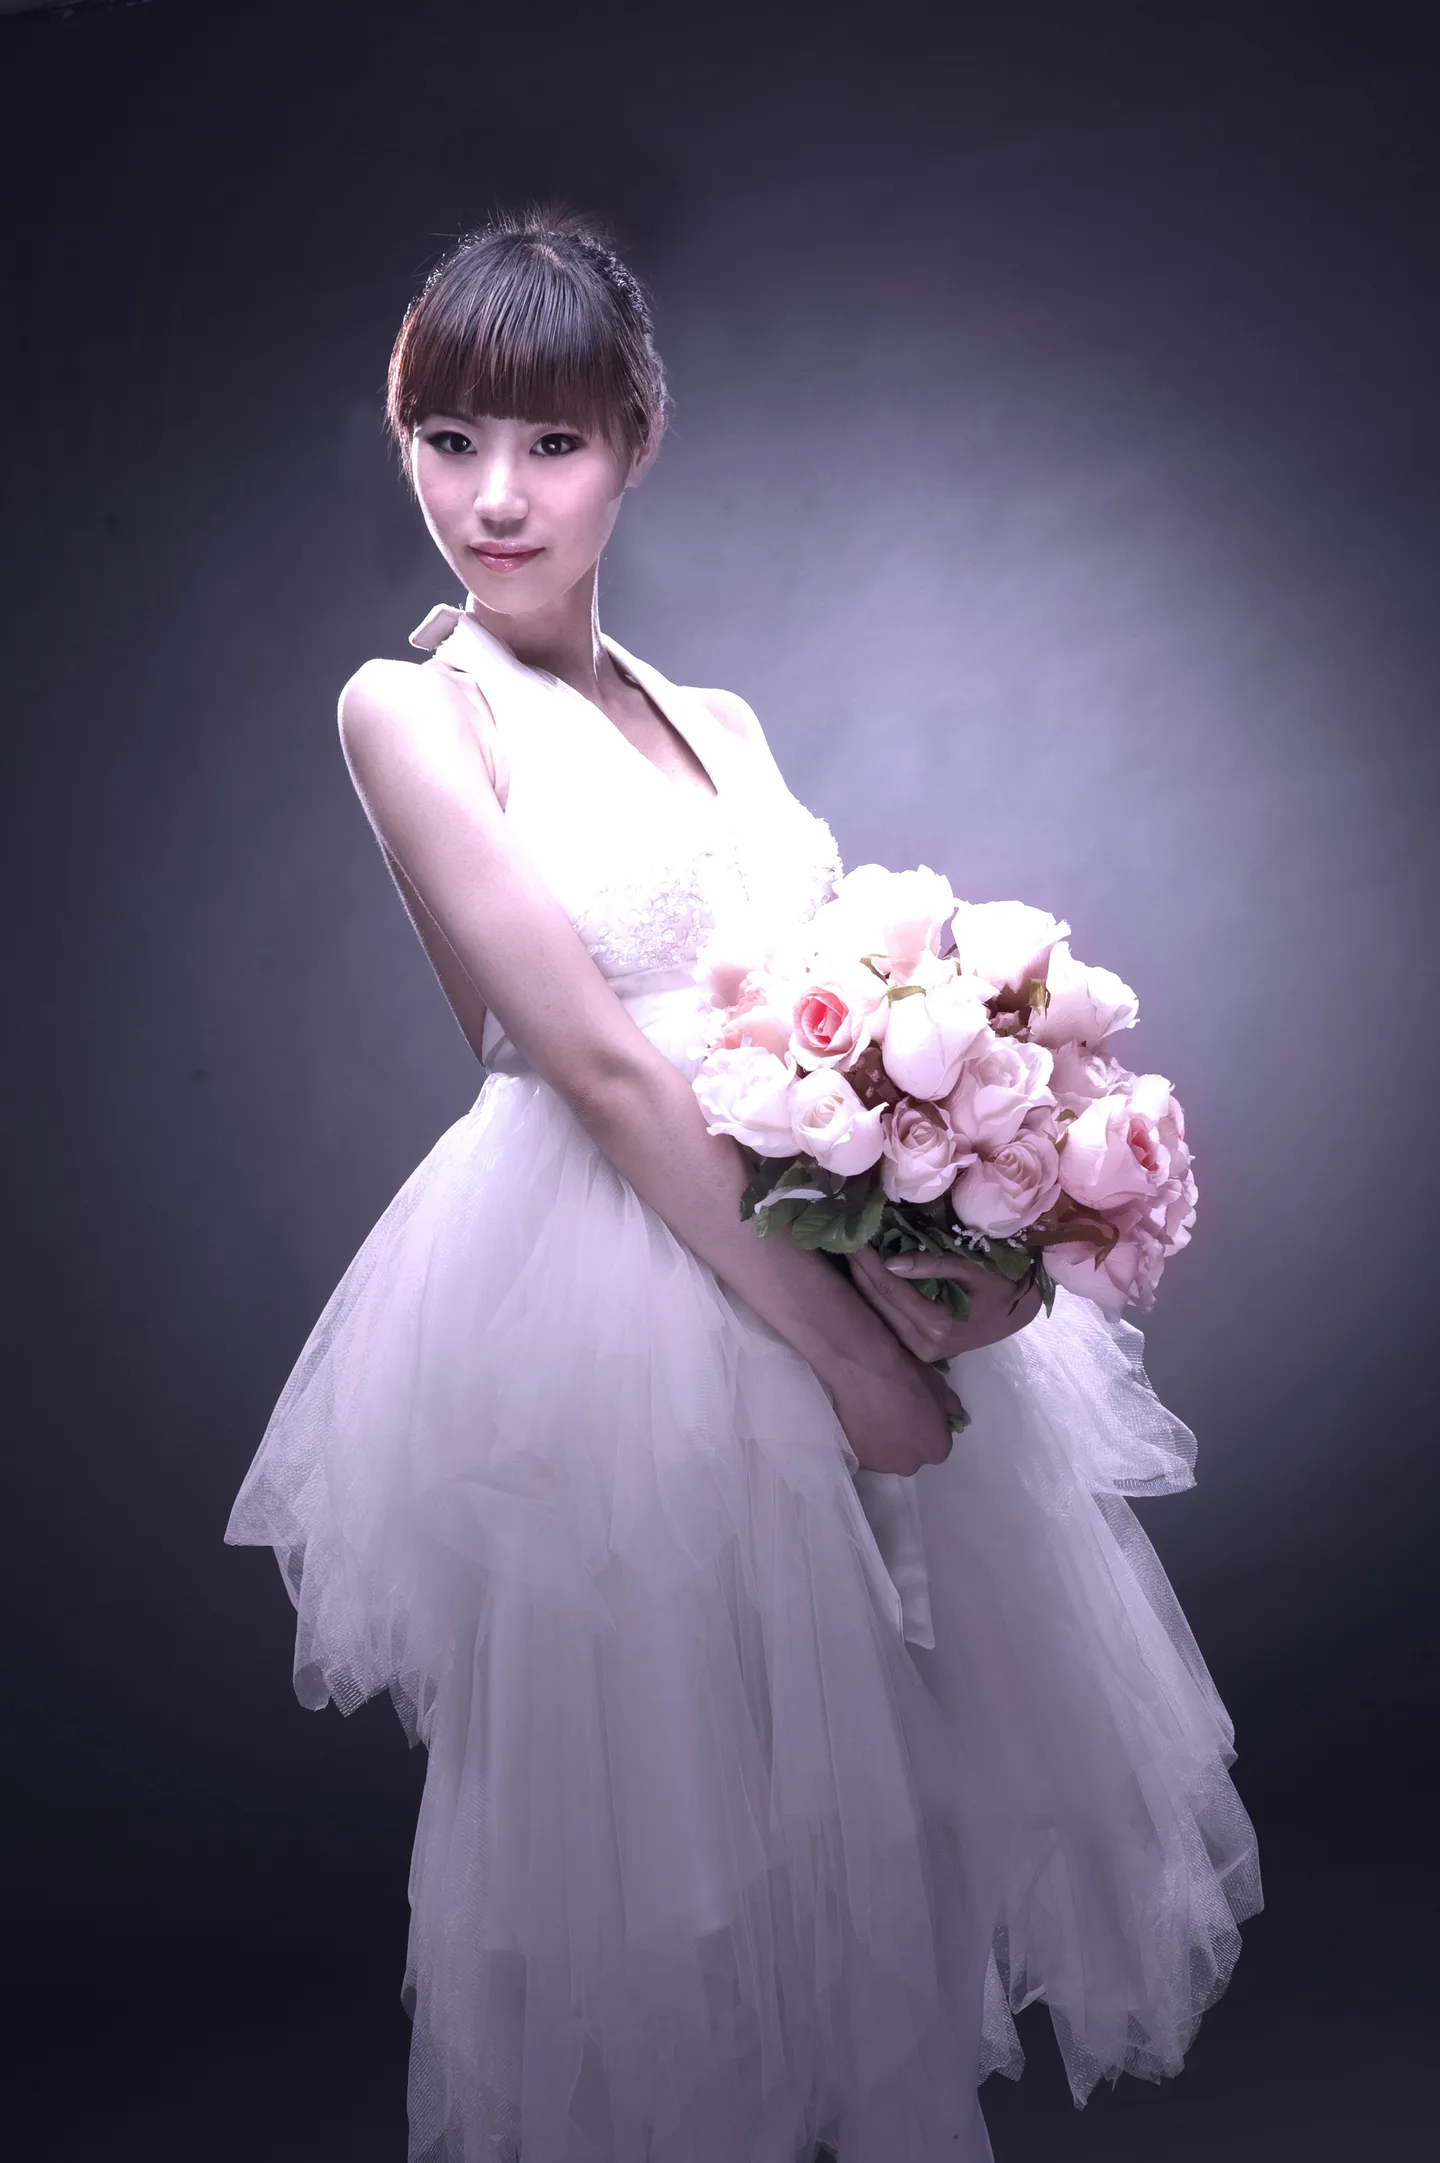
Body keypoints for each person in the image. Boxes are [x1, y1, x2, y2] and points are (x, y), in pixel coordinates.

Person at [225, 206, 1261, 2163]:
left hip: (792, 1227)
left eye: (551, 441)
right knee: (672, 1852)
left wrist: (969, 1194)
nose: (494, 495)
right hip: (616, 1294)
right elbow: (598, 1063)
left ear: (635, 441)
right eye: (448, 438)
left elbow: (819, 1006)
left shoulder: (720, 721)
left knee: (874, 1816)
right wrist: (851, 1353)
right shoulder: (408, 707)